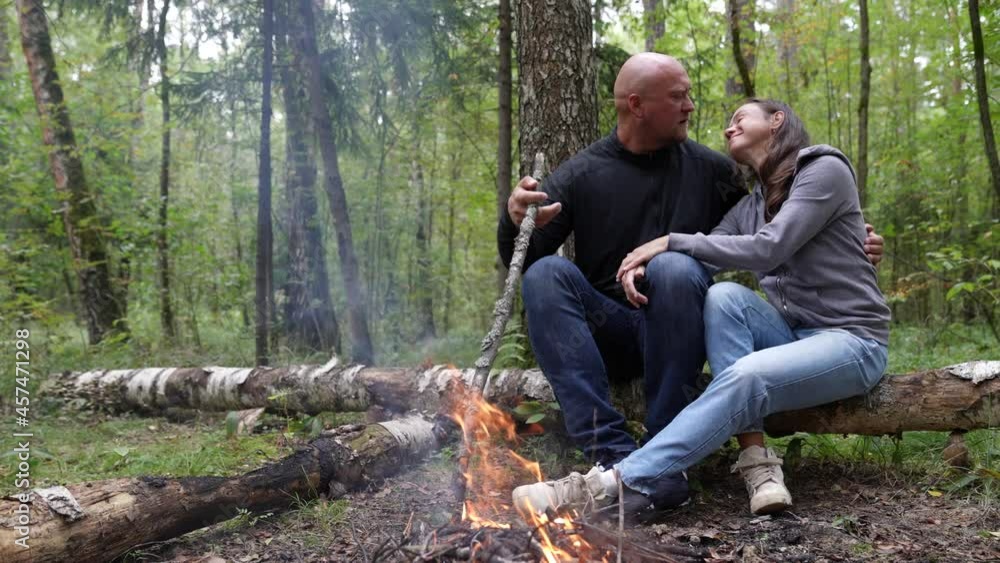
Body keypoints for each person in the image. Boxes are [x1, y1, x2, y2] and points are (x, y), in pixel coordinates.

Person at [498, 53, 884, 494]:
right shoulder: (582, 173)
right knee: (546, 274)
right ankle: (611, 452)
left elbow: (776, 233)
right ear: (638, 105)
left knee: (678, 268)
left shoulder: (717, 171)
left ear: (777, 121)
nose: (692, 107)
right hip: (608, 331)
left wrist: (856, 238)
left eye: (690, 96)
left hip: (678, 332)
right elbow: (522, 261)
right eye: (679, 96)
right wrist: (514, 220)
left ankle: (661, 451)